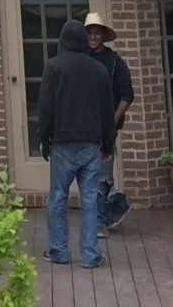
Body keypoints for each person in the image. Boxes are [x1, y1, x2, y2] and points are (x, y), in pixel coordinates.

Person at [36, 18, 115, 269]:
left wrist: (44, 139)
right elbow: (107, 112)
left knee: (57, 197)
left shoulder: (53, 67)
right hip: (91, 143)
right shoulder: (98, 69)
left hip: (63, 142)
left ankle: (58, 251)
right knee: (90, 198)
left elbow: (45, 109)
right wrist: (107, 145)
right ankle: (91, 255)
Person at [83, 12, 133, 233]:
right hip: (83, 127)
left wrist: (112, 120)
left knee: (102, 175)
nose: (93, 36)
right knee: (87, 175)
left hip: (106, 129)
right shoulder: (80, 58)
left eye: (97, 32)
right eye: (89, 32)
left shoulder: (114, 61)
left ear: (103, 35)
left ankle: (102, 221)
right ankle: (107, 212)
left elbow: (127, 95)